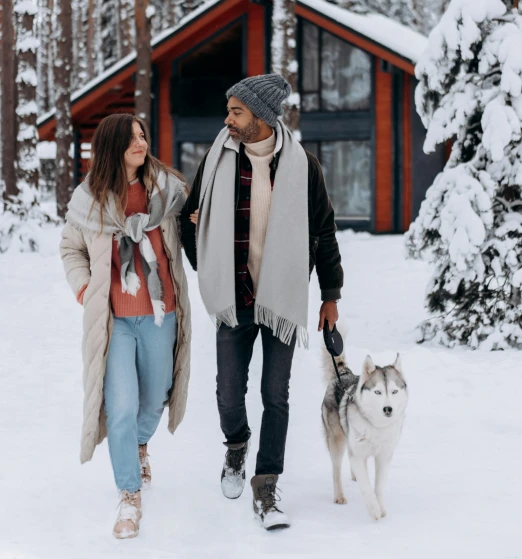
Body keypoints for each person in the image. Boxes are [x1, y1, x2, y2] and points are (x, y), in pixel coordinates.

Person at [180, 73, 343, 530]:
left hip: (281, 298)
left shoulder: (303, 166)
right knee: (229, 394)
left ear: (262, 117)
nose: (227, 119)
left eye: (236, 111)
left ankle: (266, 484)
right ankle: (236, 446)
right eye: (229, 110)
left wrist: (331, 295)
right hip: (234, 297)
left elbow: (324, 231)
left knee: (276, 394)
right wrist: (205, 265)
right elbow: (187, 219)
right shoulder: (216, 161)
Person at [60, 114, 191, 540]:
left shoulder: (167, 191)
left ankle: (139, 446)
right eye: (131, 137)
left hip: (161, 313)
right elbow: (71, 248)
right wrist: (84, 288)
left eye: (143, 135)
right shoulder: (90, 199)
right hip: (114, 321)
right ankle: (129, 493)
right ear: (113, 145)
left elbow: (195, 231)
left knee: (155, 398)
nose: (140, 142)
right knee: (119, 406)